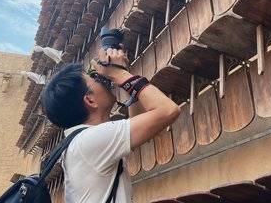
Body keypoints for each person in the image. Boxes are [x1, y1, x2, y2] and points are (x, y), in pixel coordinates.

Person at [41, 47, 180, 203]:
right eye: (95, 78)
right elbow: (168, 110)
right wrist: (119, 74)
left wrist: (125, 77)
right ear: (90, 100)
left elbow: (143, 125)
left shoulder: (80, 142)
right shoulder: (91, 140)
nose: (103, 79)